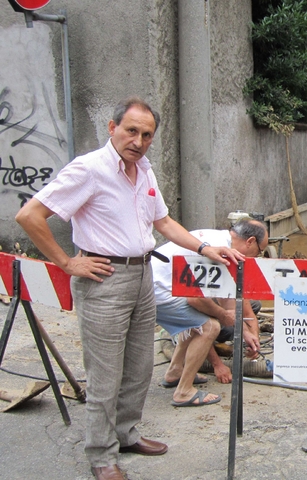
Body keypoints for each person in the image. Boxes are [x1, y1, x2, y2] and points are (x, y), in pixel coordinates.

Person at [15, 96, 244, 480]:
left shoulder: (145, 171)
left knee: (138, 368)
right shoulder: (90, 169)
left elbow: (165, 223)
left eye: (147, 134)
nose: (138, 140)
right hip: (104, 279)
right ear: (112, 128)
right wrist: (68, 263)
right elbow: (30, 215)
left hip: (142, 276)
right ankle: (102, 455)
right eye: (131, 130)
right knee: (106, 374)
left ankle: (125, 434)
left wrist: (206, 248)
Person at [151, 219, 268, 407]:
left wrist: (247, 332)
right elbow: (195, 299)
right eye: (260, 251)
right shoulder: (217, 250)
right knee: (209, 326)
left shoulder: (222, 242)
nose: (257, 256)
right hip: (158, 292)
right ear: (250, 242)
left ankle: (175, 372)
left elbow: (228, 301)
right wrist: (217, 363)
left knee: (201, 320)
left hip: (160, 287)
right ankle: (183, 391)